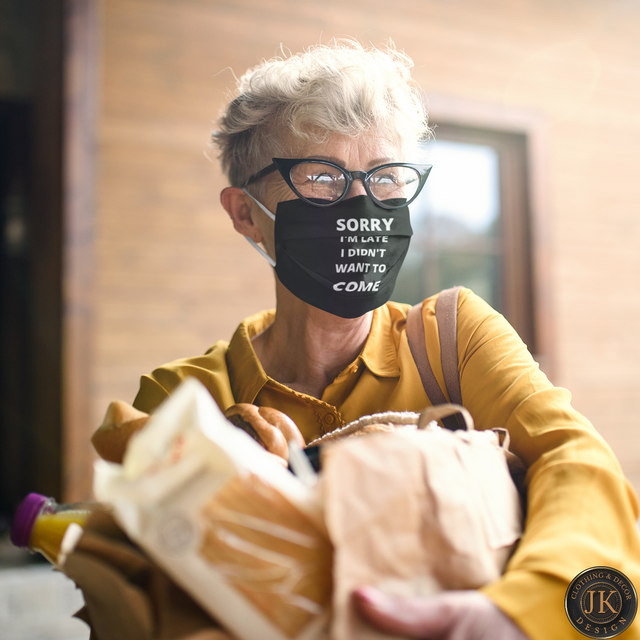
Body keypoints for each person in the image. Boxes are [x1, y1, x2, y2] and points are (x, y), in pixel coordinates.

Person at [131, 40, 640, 639]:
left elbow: (573, 459)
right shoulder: (187, 396)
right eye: (322, 178)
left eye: (387, 178)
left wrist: (524, 615)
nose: (361, 202)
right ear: (245, 213)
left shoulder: (452, 337)